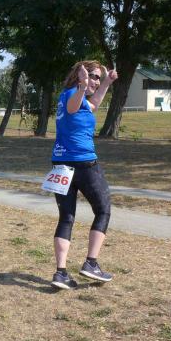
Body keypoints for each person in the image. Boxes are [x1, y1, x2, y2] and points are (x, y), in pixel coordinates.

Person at [49, 60, 118, 290]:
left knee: (66, 217)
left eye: (98, 78)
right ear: (81, 75)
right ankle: (91, 263)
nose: (96, 81)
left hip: (60, 163)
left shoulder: (70, 97)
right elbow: (73, 107)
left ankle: (60, 273)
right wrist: (82, 85)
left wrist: (107, 82)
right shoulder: (74, 94)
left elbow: (93, 104)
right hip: (83, 163)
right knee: (103, 210)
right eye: (94, 76)